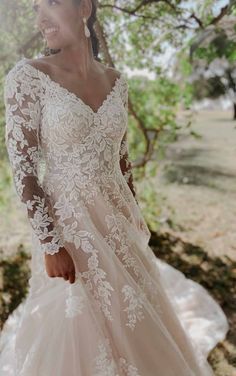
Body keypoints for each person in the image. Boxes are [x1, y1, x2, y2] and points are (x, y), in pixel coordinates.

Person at [0, 0, 229, 374]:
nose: (41, 19)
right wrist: (51, 243)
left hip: (121, 230)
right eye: (36, 8)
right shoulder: (27, 77)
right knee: (79, 331)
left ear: (84, 8)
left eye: (52, 4)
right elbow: (23, 168)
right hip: (70, 232)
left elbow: (121, 164)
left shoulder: (116, 81)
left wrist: (135, 219)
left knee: (137, 325)